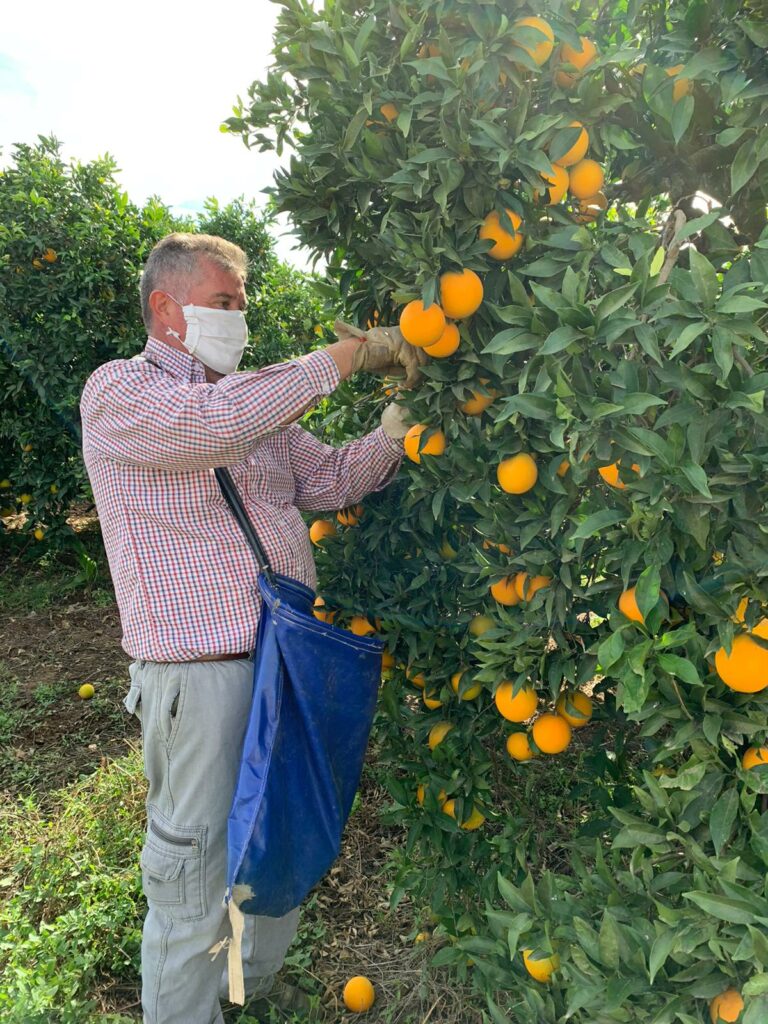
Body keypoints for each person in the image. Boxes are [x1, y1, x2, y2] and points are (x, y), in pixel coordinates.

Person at [79, 232, 425, 1024]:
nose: (238, 318)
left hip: (287, 658)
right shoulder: (122, 394)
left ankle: (247, 995)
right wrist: (346, 358)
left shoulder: (255, 410)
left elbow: (333, 480)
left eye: (242, 304)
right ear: (166, 308)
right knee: (196, 872)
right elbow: (213, 427)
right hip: (201, 679)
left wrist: (397, 426)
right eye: (222, 302)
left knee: (277, 838)